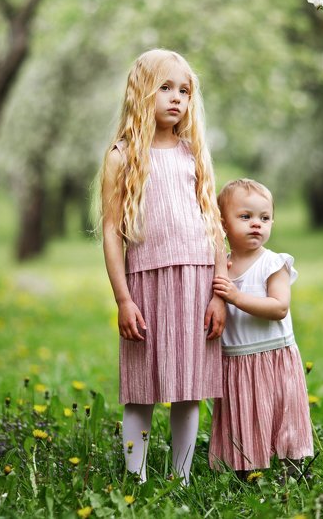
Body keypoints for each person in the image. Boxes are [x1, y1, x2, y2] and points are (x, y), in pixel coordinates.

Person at [98, 48, 228, 484]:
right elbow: (113, 233)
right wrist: (123, 298)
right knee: (142, 385)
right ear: (141, 93)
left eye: (185, 91)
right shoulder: (121, 157)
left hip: (196, 279)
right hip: (145, 281)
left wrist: (219, 290)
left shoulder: (195, 153)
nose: (176, 99)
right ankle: (134, 479)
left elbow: (214, 226)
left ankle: (182, 477)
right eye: (166, 88)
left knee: (188, 385)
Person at [209, 178, 314, 476]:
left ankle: (290, 466)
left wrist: (236, 297)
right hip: (237, 360)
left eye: (264, 218)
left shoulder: (273, 263)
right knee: (245, 415)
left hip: (272, 357)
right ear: (222, 223)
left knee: (281, 415)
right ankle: (245, 467)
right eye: (246, 217)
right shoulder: (222, 266)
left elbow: (279, 308)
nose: (257, 224)